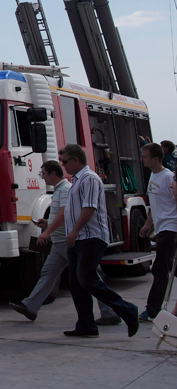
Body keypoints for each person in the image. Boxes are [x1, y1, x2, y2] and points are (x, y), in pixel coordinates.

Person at [8, 161, 118, 323]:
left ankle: (110, 312)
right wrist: (47, 222)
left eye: (44, 174)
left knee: (90, 277)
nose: (42, 177)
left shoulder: (65, 189)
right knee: (49, 273)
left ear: (53, 174)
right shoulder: (60, 190)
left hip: (66, 242)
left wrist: (47, 232)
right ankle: (30, 306)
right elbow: (62, 215)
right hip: (59, 243)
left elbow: (64, 213)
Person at [58, 144, 140, 337]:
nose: (64, 166)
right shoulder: (76, 180)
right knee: (77, 283)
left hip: (90, 237)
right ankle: (86, 325)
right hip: (78, 239)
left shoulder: (89, 179)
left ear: (76, 160)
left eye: (65, 162)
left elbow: (89, 208)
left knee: (87, 278)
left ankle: (128, 310)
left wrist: (75, 231)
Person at [139, 142, 177, 322]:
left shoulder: (168, 177)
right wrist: (147, 225)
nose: (142, 159)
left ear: (155, 159)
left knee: (160, 270)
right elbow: (155, 206)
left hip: (171, 229)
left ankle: (153, 310)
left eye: (144, 156)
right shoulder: (153, 177)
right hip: (161, 229)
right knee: (164, 269)